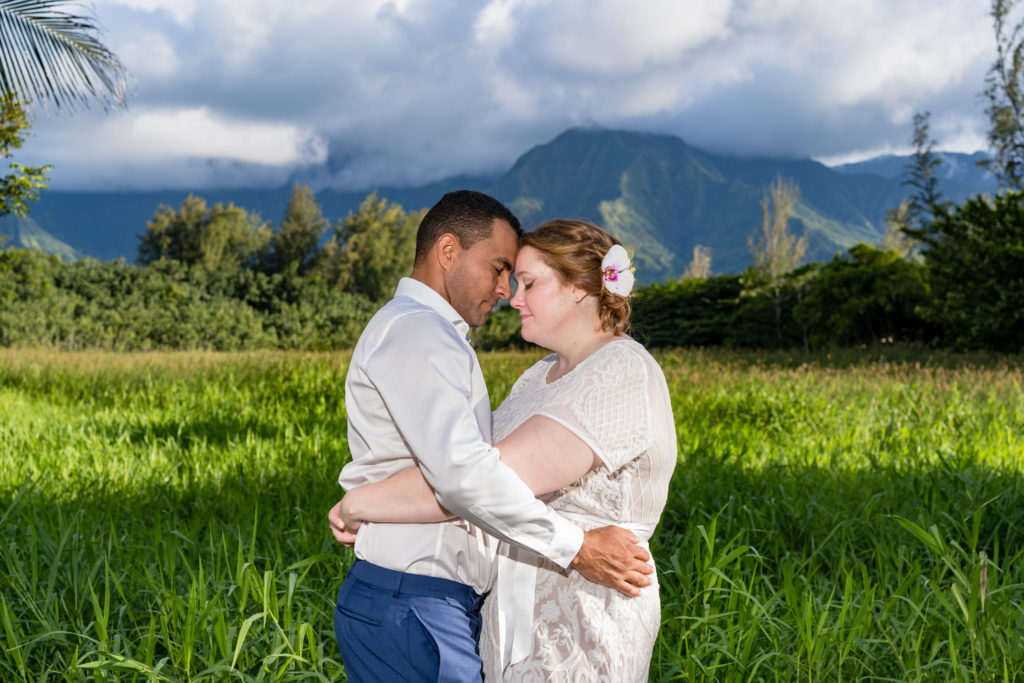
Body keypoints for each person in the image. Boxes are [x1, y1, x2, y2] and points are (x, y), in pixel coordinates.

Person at [328, 193, 654, 682]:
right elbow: (464, 477)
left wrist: (359, 502)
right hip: (417, 600)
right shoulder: (420, 333)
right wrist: (577, 546)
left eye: (522, 279)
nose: (506, 291)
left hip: (448, 605)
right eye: (500, 269)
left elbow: (464, 472)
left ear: (579, 290)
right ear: (447, 251)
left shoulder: (436, 336)